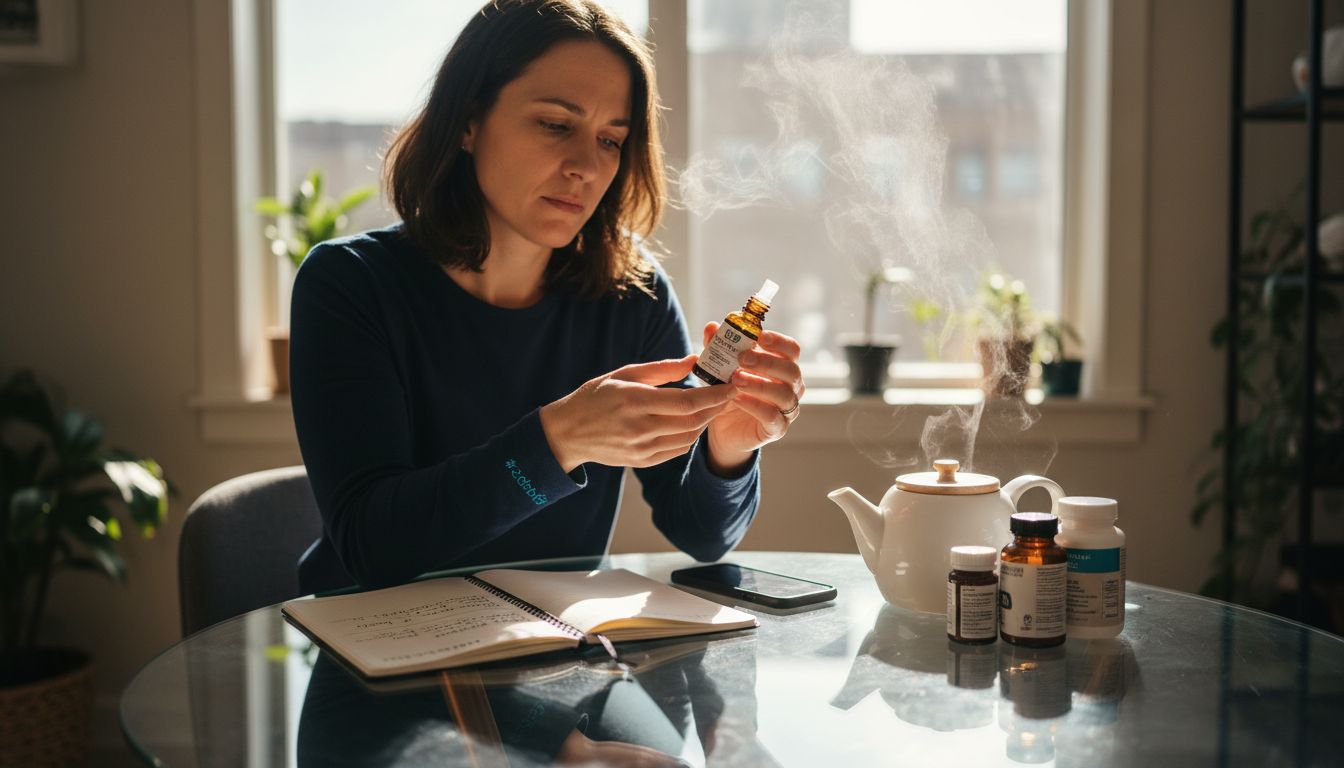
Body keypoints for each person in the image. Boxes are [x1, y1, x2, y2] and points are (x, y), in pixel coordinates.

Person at [290, 0, 805, 596]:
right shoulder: (350, 286)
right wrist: (558, 440)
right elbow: (371, 547)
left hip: (558, 655)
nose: (587, 166)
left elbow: (702, 535)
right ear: (467, 120)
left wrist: (728, 450)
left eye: (611, 140)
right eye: (557, 125)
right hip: (373, 656)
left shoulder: (632, 300)